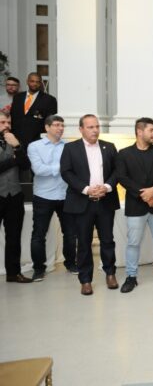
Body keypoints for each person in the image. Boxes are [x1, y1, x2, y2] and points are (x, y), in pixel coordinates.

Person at [60, 114, 120, 295]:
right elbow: (66, 172)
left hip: (105, 202)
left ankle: (110, 273)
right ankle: (85, 280)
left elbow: (118, 170)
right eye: (90, 127)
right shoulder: (70, 148)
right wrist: (86, 189)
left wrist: (107, 187)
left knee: (107, 240)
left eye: (97, 126)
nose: (95, 130)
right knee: (84, 243)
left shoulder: (109, 147)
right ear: (81, 129)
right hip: (82, 203)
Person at [116, 118, 153, 293]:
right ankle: (131, 276)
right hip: (136, 206)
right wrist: (145, 195)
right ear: (139, 131)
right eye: (151, 130)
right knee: (133, 243)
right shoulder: (124, 153)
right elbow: (122, 178)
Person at [28, 115, 78, 280]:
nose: (60, 128)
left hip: (66, 195)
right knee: (39, 235)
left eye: (62, 125)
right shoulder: (35, 146)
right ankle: (38, 269)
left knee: (70, 233)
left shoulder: (69, 146)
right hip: (43, 196)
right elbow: (39, 170)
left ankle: (70, 263)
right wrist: (64, 167)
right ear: (47, 127)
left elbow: (75, 169)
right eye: (56, 125)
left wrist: (57, 168)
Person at [0, 111, 32, 283]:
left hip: (15, 195)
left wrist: (18, 147)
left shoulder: (15, 141)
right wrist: (13, 160)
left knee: (14, 236)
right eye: (2, 122)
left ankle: (13, 273)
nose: (6, 125)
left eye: (8, 122)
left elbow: (26, 166)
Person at [10, 72, 58, 148]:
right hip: (17, 140)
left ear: (41, 83)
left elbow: (51, 121)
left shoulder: (49, 99)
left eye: (37, 82)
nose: (35, 84)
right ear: (27, 81)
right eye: (32, 81)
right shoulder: (17, 97)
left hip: (37, 140)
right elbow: (13, 117)